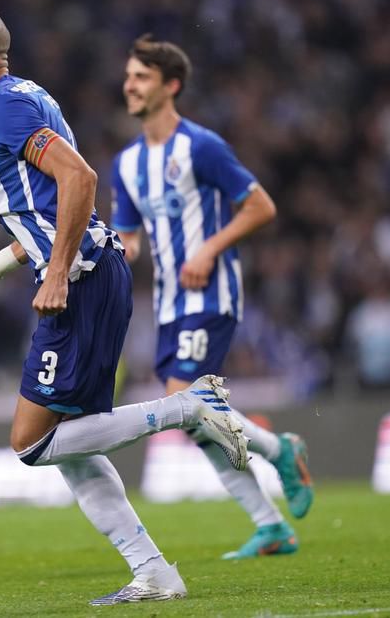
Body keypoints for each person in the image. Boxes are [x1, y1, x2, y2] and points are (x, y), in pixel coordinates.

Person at [0, 4, 249, 605]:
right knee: (72, 443)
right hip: (90, 271)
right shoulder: (20, 100)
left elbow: (80, 180)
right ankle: (154, 571)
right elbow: (51, 206)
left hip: (79, 280)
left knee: (31, 442)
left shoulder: (6, 107)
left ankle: (190, 408)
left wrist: (54, 274)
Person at [110, 35, 314, 560]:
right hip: (169, 303)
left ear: (171, 86)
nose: (129, 85)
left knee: (189, 402)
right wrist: (113, 257)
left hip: (212, 292)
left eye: (141, 77)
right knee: (197, 422)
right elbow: (130, 237)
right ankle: (271, 524)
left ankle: (278, 451)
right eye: (129, 76)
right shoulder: (126, 164)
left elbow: (260, 206)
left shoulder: (201, 146)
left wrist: (208, 250)